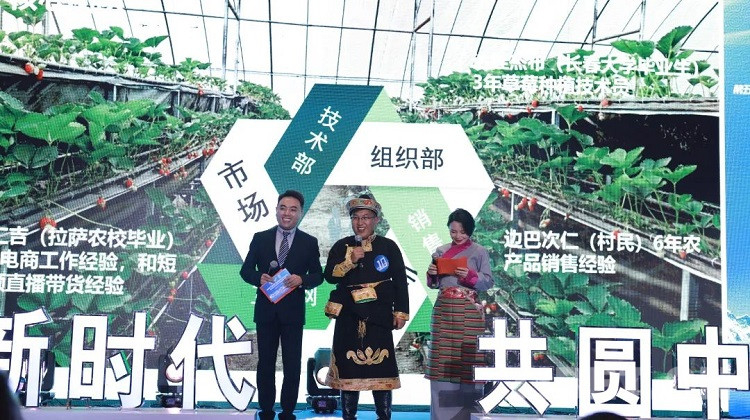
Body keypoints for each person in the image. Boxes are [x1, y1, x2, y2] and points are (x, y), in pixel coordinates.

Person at [323, 194, 409, 420]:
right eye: (356, 218)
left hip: (379, 315)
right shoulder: (342, 246)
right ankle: (348, 416)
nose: (360, 223)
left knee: (382, 369)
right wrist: (350, 261)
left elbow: (400, 281)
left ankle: (384, 416)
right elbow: (329, 276)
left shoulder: (388, 247)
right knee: (348, 368)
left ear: (376, 220)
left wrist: (401, 312)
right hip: (349, 316)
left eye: (366, 217)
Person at [240, 189, 323, 420]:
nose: (287, 213)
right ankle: (266, 410)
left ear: (300, 213)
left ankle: (288, 411)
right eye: (283, 208)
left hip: (292, 314)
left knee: (292, 365)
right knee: (265, 364)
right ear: (276, 210)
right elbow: (245, 270)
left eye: (293, 209)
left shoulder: (309, 242)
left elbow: (318, 275)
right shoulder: (260, 238)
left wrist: (301, 280)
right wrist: (258, 278)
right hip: (266, 311)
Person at [424, 208, 493, 420]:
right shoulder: (440, 251)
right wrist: (432, 274)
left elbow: (488, 282)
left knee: (468, 360)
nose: (457, 236)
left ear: (469, 230)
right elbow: (434, 284)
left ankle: (468, 414)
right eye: (453, 231)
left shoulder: (479, 251)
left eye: (462, 232)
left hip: (469, 312)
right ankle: (441, 415)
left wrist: (470, 276)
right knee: (442, 362)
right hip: (444, 312)